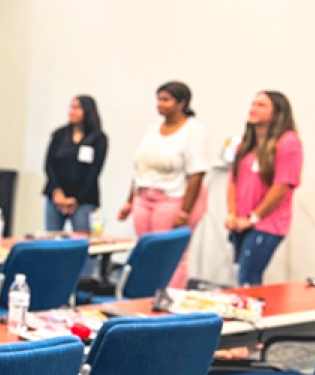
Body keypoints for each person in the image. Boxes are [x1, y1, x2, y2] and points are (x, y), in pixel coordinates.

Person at [118, 81, 211, 288]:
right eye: (159, 99)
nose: (160, 104)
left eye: (166, 100)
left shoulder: (193, 130)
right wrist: (129, 201)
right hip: (144, 196)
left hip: (172, 197)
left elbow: (197, 173)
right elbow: (140, 168)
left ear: (181, 103)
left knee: (172, 253)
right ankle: (145, 296)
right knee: (146, 251)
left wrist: (185, 212)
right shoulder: (152, 130)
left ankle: (169, 300)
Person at [226, 91, 302, 286]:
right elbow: (233, 181)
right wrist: (232, 215)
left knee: (248, 278)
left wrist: (253, 218)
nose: (253, 109)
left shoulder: (288, 142)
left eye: (261, 105)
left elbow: (281, 186)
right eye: (253, 104)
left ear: (277, 112)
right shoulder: (245, 144)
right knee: (242, 278)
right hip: (241, 222)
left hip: (267, 224)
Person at [43, 95, 108, 233]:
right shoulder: (59, 135)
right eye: (71, 107)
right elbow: (49, 165)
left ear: (88, 111)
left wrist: (76, 199)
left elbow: (94, 171)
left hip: (84, 199)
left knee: (83, 241)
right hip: (56, 197)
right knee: (51, 240)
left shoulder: (99, 139)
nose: (71, 112)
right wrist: (57, 192)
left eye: (77, 108)